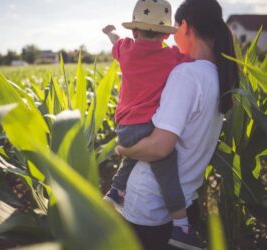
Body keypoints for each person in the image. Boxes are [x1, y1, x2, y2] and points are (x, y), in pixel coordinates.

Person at [116, 0, 239, 249]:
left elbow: (160, 148)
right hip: (184, 201)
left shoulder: (186, 76)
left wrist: (121, 149)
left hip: (150, 206)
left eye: (174, 28)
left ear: (185, 26)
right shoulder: (217, 74)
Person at [101, 0, 194, 242]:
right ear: (165, 35)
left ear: (134, 31)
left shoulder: (126, 50)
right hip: (149, 127)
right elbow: (194, 61)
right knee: (167, 172)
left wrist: (110, 31)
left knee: (134, 155)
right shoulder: (170, 56)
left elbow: (114, 39)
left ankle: (114, 192)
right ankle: (181, 227)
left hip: (124, 128)